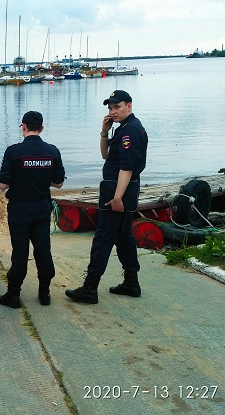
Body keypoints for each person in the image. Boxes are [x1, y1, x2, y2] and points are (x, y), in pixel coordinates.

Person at [65, 90, 148, 304]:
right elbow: (106, 155)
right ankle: (131, 282)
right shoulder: (123, 129)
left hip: (117, 192)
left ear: (129, 105)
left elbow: (127, 168)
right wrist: (104, 132)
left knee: (102, 239)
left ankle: (89, 288)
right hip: (121, 190)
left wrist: (118, 197)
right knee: (124, 238)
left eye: (117, 107)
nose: (113, 111)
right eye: (110, 108)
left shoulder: (130, 131)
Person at [0, 111, 65, 308]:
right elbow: (59, 183)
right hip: (42, 207)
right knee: (43, 250)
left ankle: (13, 294)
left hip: (19, 208)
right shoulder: (52, 151)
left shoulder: (13, 152)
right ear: (41, 128)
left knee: (20, 252)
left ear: (23, 127)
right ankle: (44, 292)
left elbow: (2, 185)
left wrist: (21, 175)